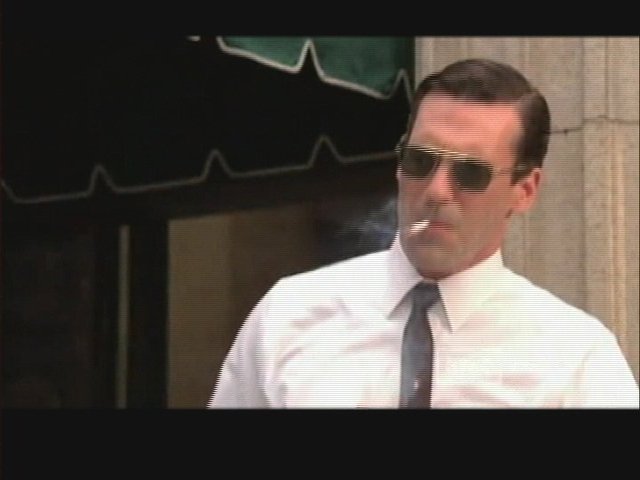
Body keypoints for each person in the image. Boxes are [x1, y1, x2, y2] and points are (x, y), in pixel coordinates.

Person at [208, 58, 639, 408]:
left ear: (524, 191)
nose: (436, 191)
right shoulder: (290, 314)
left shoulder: (576, 359)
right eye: (420, 161)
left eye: (470, 173)